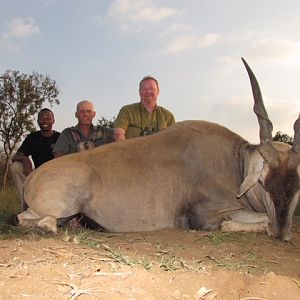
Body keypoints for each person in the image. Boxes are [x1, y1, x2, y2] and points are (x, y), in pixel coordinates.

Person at [53, 100, 113, 230]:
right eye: (81, 111)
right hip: (75, 179)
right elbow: (58, 157)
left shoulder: (105, 132)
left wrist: (120, 133)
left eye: (88, 111)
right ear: (76, 114)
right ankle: (70, 219)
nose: (85, 114)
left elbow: (120, 138)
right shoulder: (67, 133)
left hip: (101, 180)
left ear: (94, 114)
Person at [10, 108, 60, 211]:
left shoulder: (60, 137)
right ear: (38, 121)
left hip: (56, 178)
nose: (44, 121)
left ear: (53, 121)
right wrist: (24, 158)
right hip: (36, 176)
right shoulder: (32, 138)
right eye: (41, 119)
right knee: (15, 166)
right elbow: (14, 157)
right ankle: (25, 205)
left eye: (48, 118)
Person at [113, 75, 175, 141]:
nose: (148, 91)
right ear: (140, 92)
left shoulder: (168, 116)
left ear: (158, 91)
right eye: (144, 89)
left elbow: (175, 138)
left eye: (152, 88)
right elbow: (118, 133)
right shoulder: (127, 110)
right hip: (133, 151)